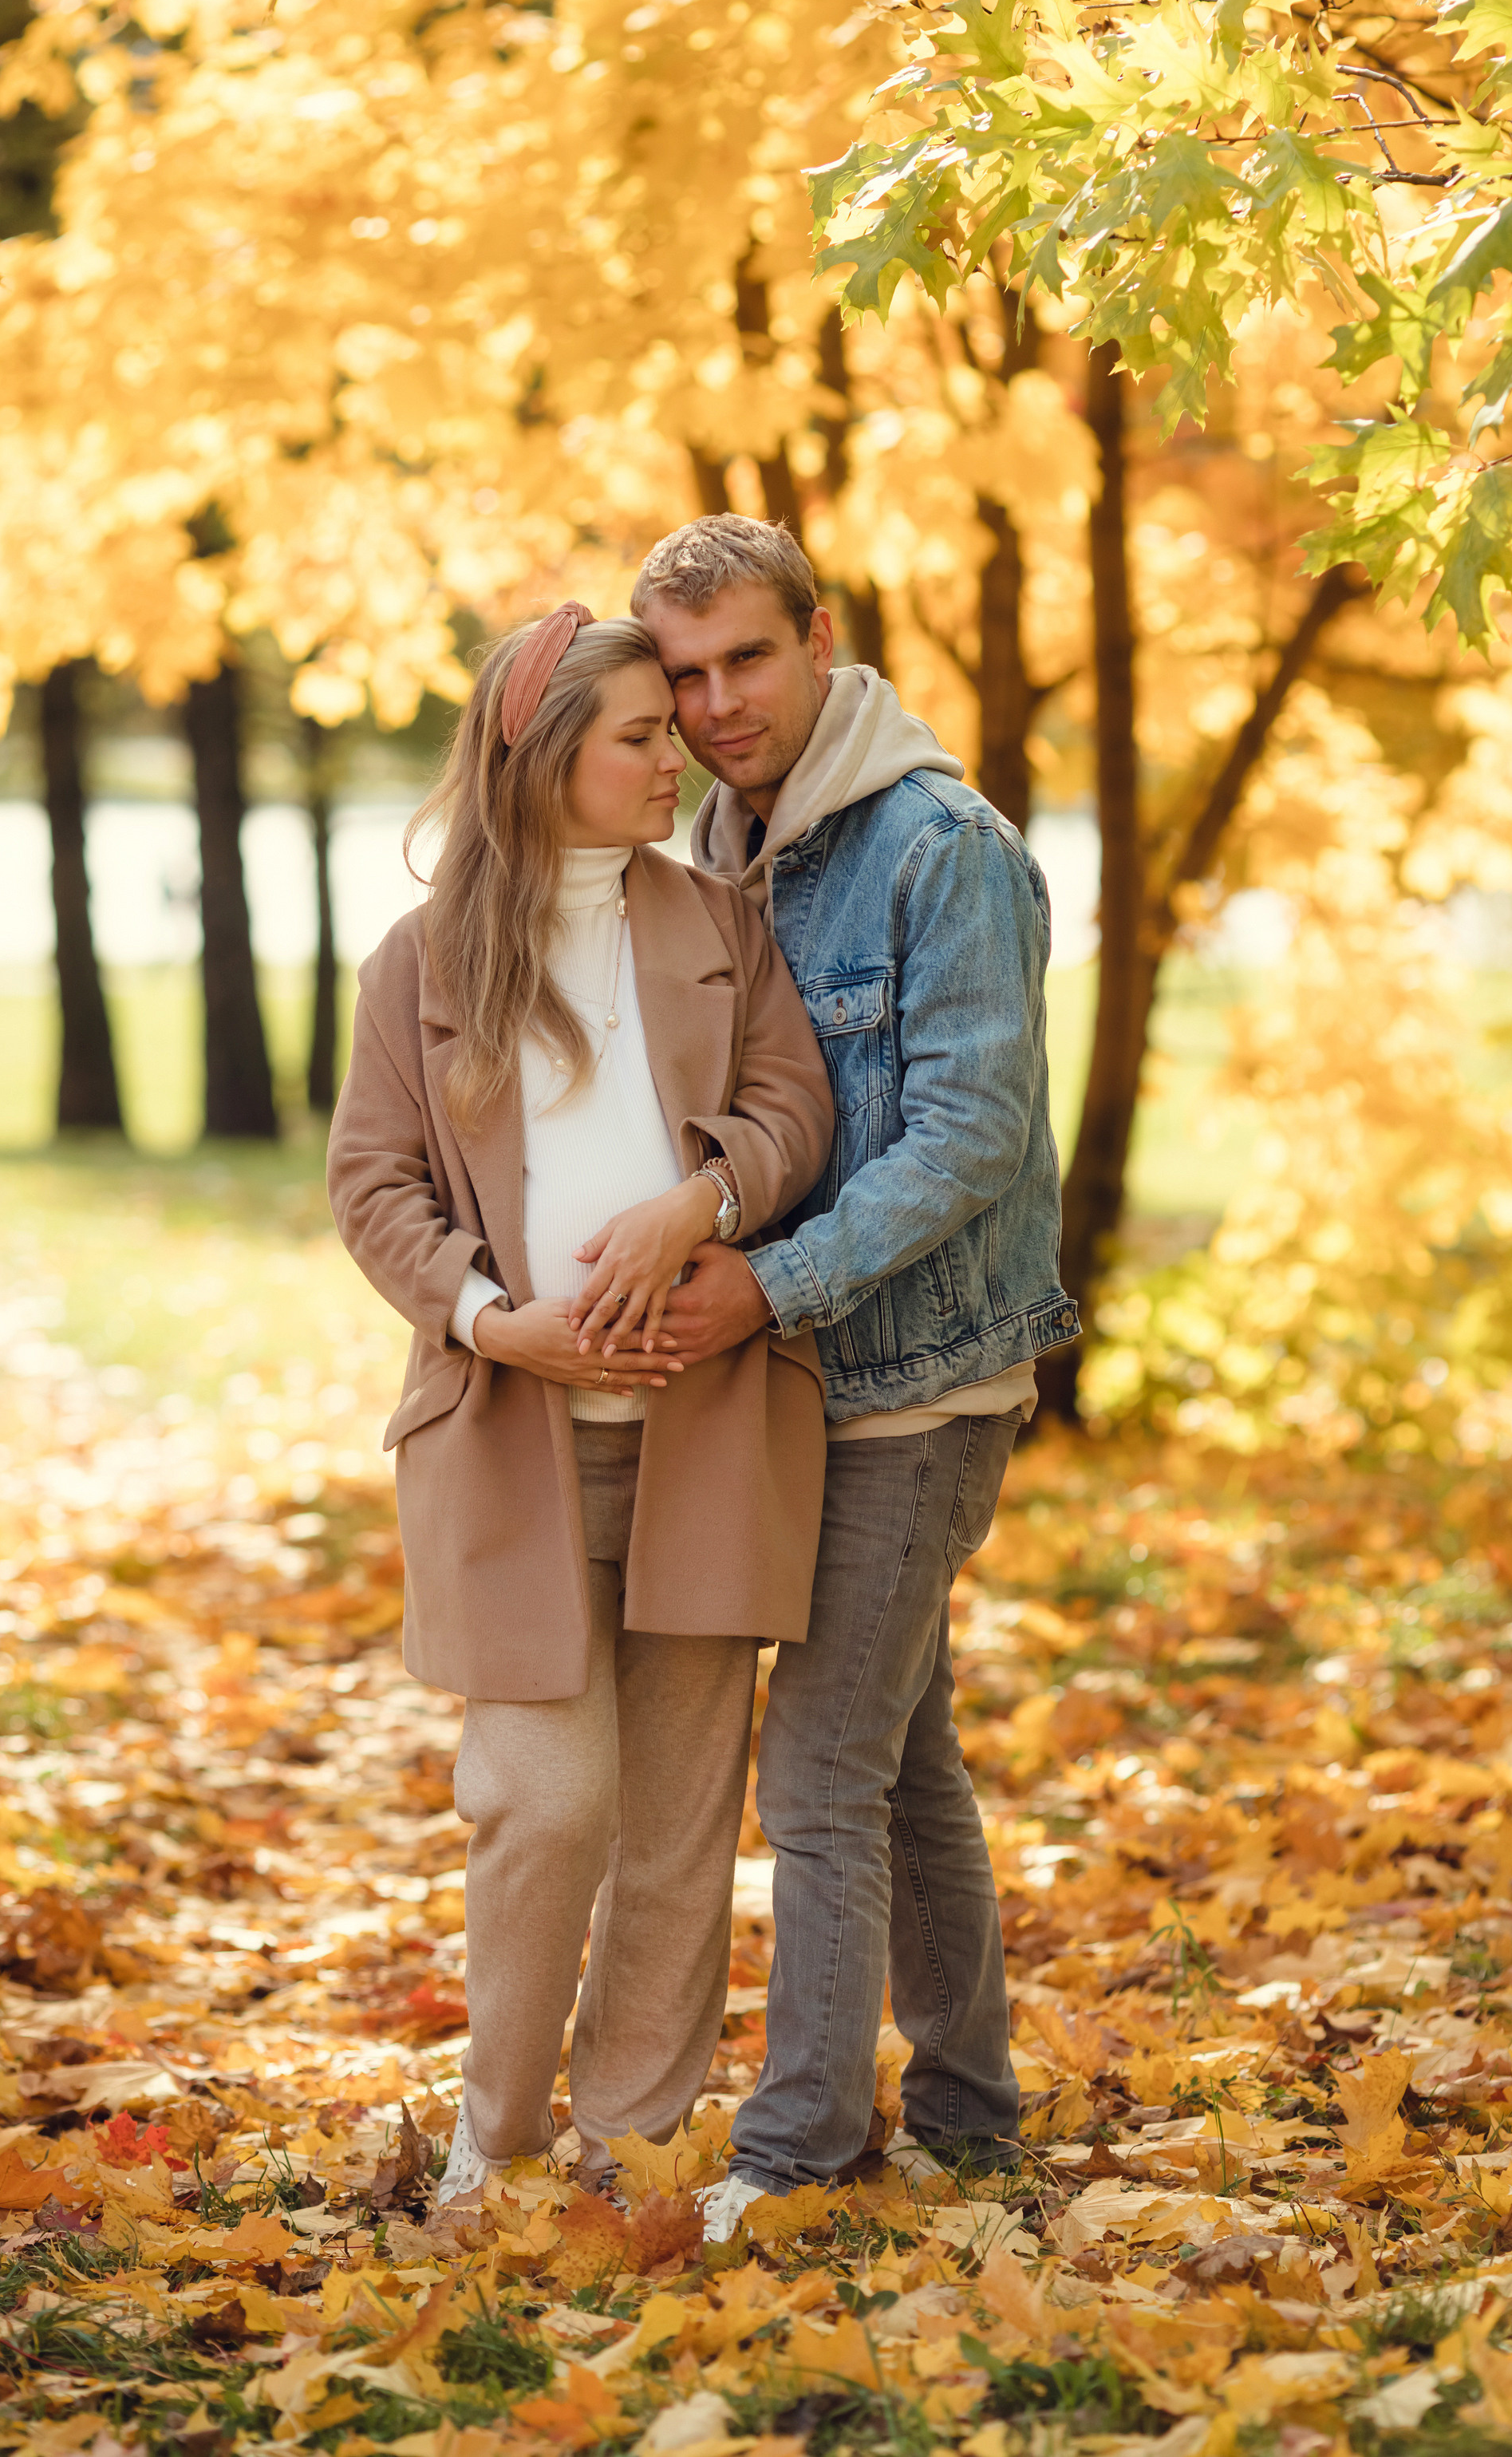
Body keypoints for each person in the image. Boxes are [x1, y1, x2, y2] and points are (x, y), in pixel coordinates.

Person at [326, 603, 833, 2208]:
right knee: (549, 1803)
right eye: (638, 733)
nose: (674, 750)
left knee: (681, 1826)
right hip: (510, 1445)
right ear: (548, 758)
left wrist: (703, 1200)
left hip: (708, 1433)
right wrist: (499, 1323)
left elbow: (791, 1109)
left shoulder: (717, 920)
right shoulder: (424, 960)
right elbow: (373, 1183)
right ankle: (500, 2132)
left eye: (673, 727)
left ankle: (632, 2147)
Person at [619, 516, 1078, 2239]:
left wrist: (769, 1284)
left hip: (922, 1382)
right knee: (905, 1761)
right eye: (684, 675)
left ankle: (796, 2153)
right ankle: (968, 2108)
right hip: (813, 1373)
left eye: (747, 657)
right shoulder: (739, 839)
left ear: (822, 637)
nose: (720, 702)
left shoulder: (936, 847)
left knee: (815, 1768)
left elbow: (970, 1134)